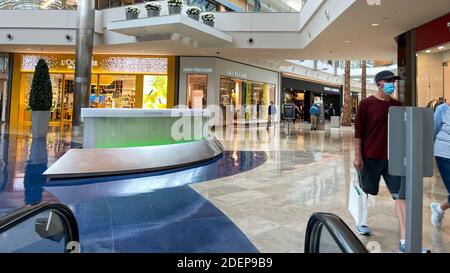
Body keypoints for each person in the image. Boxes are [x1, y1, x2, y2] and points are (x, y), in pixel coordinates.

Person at [354, 70, 410, 252]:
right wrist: (357, 155)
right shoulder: (366, 104)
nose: (392, 85)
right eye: (389, 81)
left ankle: (405, 239)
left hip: (393, 158)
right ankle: (361, 222)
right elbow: (358, 133)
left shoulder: (398, 105)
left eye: (394, 82)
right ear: (378, 83)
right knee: (366, 191)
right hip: (370, 156)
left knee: (400, 196)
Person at [430, 102, 450, 228]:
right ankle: (438, 209)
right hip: (444, 155)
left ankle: (439, 208)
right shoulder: (442, 109)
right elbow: (432, 130)